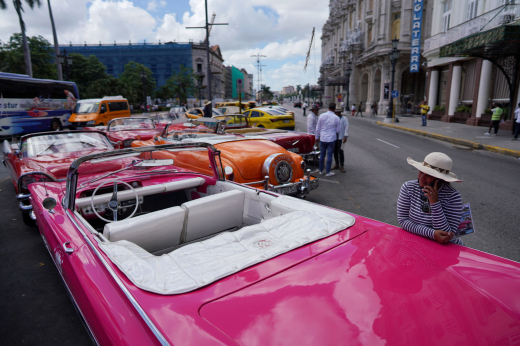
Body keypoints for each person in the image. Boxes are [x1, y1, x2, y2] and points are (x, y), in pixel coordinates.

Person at [397, 152, 464, 245]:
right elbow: (403, 220)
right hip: (415, 241)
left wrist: (435, 203)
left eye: (429, 175)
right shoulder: (408, 188)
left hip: (444, 247)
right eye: (421, 171)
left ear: (440, 179)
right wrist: (432, 234)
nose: (422, 177)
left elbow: (447, 235)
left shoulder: (453, 196)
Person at [315, 103, 341, 176]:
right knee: (329, 155)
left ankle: (320, 170)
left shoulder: (322, 116)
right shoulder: (336, 118)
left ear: (328, 108)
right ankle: (328, 171)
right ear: (334, 109)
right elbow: (338, 130)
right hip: (331, 139)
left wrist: (316, 137)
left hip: (323, 138)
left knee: (322, 155)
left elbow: (318, 128)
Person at [331, 107, 349, 173]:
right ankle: (337, 164)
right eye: (336, 112)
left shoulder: (344, 119)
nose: (337, 113)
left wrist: (345, 136)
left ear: (340, 112)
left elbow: (346, 127)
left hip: (341, 138)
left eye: (338, 112)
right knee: (335, 151)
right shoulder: (333, 118)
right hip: (334, 137)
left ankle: (342, 165)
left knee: (340, 152)